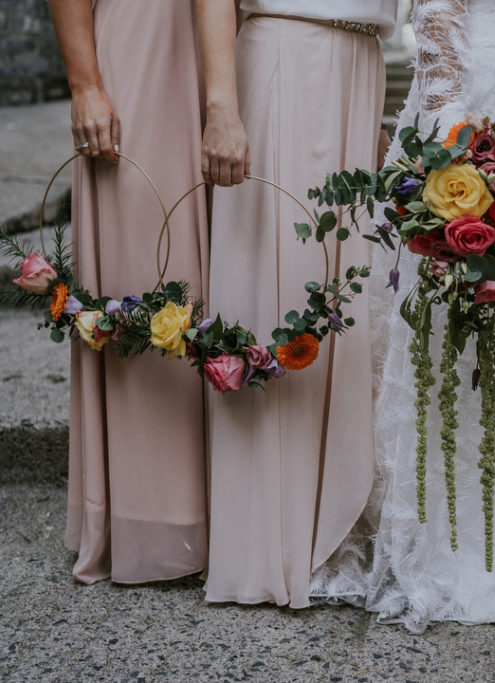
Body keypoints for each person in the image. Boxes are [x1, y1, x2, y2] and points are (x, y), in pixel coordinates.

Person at [311, 0, 495, 632]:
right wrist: (456, 155)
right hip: (469, 135)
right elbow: (437, 43)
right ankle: (462, 554)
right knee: (457, 342)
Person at [197, 0, 397, 607]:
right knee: (278, 282)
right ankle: (266, 537)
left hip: (361, 65)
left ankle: (329, 515)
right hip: (286, 53)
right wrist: (221, 105)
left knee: (345, 287)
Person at [50, 0, 209, 584]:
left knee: (204, 283)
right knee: (139, 266)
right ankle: (148, 519)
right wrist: (85, 83)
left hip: (216, 59)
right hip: (139, 55)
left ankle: (212, 518)